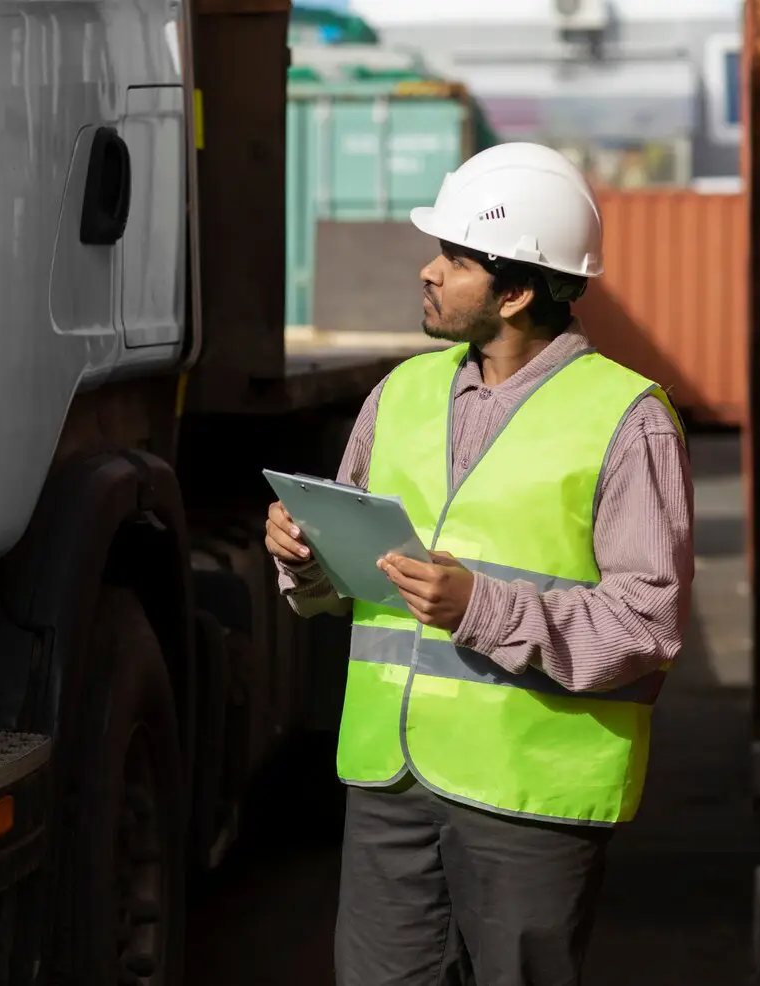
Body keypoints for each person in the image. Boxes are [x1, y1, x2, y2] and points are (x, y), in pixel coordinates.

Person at [264, 142, 695, 986]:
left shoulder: (626, 419)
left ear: (518, 289)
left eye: (453, 258)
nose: (426, 271)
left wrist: (479, 608)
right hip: (390, 783)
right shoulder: (400, 395)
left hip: (530, 799)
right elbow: (343, 589)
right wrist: (305, 558)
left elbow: (649, 623)